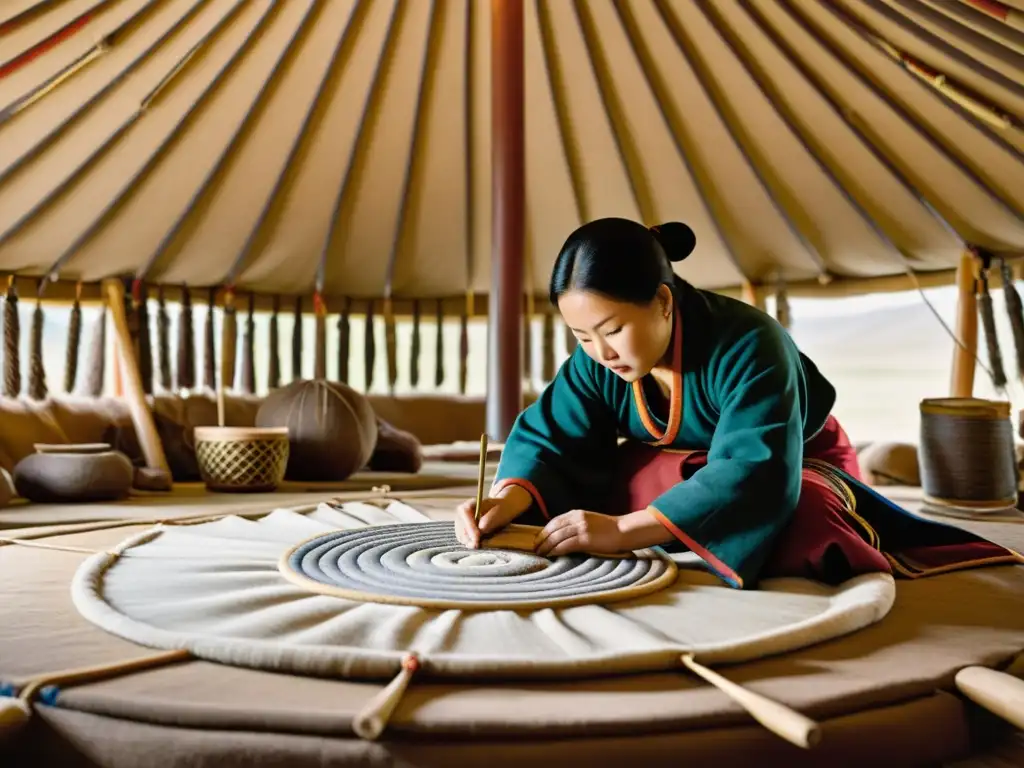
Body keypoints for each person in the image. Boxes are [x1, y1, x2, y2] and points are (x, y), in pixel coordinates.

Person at [455, 217, 1020, 589]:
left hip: (795, 465)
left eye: (612, 329)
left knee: (805, 525)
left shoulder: (752, 342)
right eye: (582, 338)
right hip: (688, 470)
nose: (599, 353)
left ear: (661, 301)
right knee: (617, 480)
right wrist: (506, 499)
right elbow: (551, 438)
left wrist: (625, 533)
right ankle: (667, 509)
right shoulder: (597, 361)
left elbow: (756, 470)